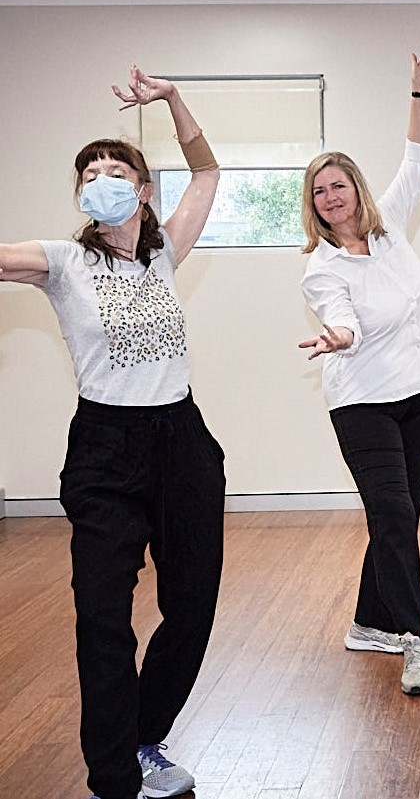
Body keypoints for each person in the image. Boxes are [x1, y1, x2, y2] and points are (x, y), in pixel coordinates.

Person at [0, 65, 224, 799]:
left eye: (116, 168)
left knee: (191, 605)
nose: (102, 178)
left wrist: (170, 100)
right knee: (102, 613)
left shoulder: (164, 253)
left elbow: (207, 169)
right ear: (81, 195)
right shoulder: (63, 261)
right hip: (103, 451)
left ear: (142, 187)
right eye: (90, 173)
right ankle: (112, 777)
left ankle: (142, 732)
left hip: (182, 444)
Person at [298, 40, 420, 696]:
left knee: (399, 514)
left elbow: (418, 158)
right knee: (391, 513)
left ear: (355, 188)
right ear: (313, 204)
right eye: (318, 191)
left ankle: (368, 621)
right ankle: (417, 639)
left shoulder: (389, 232)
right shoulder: (322, 267)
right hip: (361, 401)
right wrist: (339, 333)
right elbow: (342, 315)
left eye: (338, 184)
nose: (330, 196)